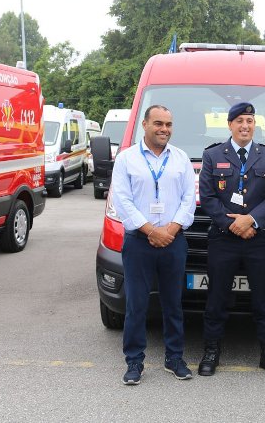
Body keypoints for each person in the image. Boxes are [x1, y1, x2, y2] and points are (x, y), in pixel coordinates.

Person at [197, 102, 265, 378]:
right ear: (230, 125)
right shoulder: (212, 155)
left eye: (250, 121)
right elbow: (208, 198)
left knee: (264, 298)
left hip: (259, 239)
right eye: (239, 121)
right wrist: (233, 223)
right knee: (217, 298)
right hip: (224, 239)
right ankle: (211, 351)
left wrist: (252, 220)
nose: (245, 126)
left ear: (254, 124)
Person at [111, 105, 197, 385]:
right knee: (136, 304)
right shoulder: (126, 159)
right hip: (139, 241)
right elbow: (122, 200)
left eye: (169, 124)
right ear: (145, 125)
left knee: (173, 303)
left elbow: (188, 199)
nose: (164, 129)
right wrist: (150, 230)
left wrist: (170, 230)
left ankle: (175, 358)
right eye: (158, 123)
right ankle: (134, 361)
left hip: (173, 241)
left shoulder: (181, 159)